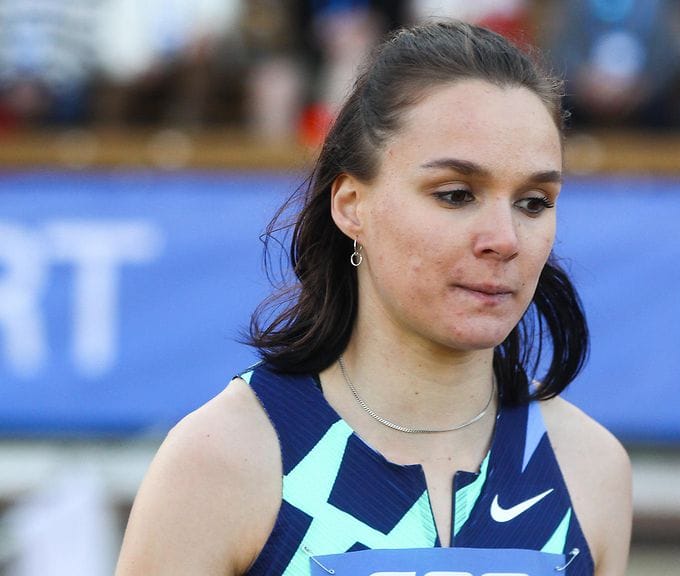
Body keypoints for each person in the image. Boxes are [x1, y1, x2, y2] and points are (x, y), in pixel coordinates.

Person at [115, 20, 632, 576]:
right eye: (456, 194)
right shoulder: (226, 460)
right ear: (351, 205)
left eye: (533, 202)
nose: (504, 240)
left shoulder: (588, 468)